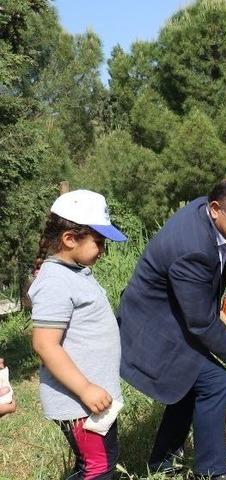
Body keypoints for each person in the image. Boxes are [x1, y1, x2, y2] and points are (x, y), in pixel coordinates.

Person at [118, 177, 226, 480]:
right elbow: (201, 322)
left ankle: (162, 461)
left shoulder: (208, 213)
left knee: (191, 382)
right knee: (214, 381)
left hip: (172, 315)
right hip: (153, 327)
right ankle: (212, 473)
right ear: (216, 209)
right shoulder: (192, 248)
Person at [29, 190, 127, 480]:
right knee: (98, 468)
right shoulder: (55, 280)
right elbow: (45, 345)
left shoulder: (76, 272)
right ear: (70, 238)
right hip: (79, 400)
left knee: (96, 463)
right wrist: (85, 388)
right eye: (98, 242)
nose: (103, 250)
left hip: (93, 400)